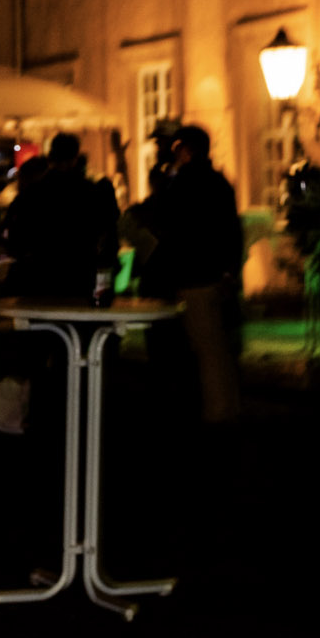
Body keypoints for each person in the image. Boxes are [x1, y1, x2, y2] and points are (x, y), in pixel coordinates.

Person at [127, 124, 246, 424]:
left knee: (205, 348)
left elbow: (166, 221)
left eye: (176, 147)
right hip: (215, 272)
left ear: (186, 150)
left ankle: (218, 411)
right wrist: (230, 270)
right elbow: (233, 230)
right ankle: (229, 405)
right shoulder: (219, 181)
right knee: (218, 344)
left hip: (193, 273)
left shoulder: (183, 183)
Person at [3, 132, 120, 300]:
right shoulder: (91, 192)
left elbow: (14, 236)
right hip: (80, 273)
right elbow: (106, 232)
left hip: (39, 276)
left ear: (51, 156)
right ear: (75, 157)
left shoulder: (32, 193)